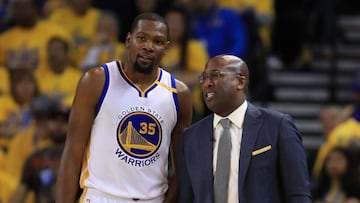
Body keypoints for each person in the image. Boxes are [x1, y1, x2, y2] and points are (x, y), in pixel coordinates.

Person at [56, 12, 193, 203]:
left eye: (158, 41)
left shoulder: (179, 94)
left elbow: (183, 168)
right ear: (129, 40)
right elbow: (72, 153)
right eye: (142, 38)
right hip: (100, 196)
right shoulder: (97, 81)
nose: (148, 46)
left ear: (166, 48)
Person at [176, 54, 312, 202]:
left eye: (215, 75)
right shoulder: (190, 137)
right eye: (204, 77)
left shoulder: (278, 126)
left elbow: (298, 194)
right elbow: (186, 198)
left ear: (240, 82)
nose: (207, 83)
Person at [9, 96, 70, 203]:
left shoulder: (78, 159)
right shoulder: (35, 159)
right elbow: (19, 195)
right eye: (54, 119)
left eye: (64, 120)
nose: (58, 124)